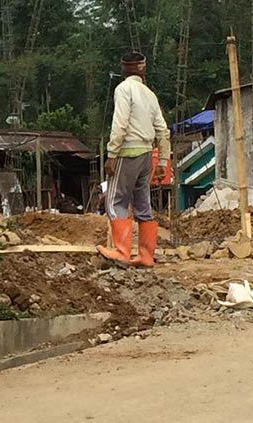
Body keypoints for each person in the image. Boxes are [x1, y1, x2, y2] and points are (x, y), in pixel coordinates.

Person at [97, 52, 171, 268]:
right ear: (143, 68)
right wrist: (163, 162)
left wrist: (112, 154)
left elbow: (120, 122)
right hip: (146, 155)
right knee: (142, 203)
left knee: (114, 200)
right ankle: (146, 256)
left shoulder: (123, 89)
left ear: (123, 68)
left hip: (127, 151)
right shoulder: (149, 95)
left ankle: (121, 252)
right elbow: (163, 131)